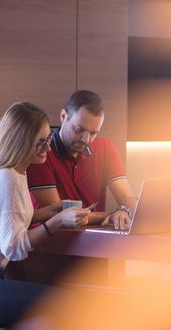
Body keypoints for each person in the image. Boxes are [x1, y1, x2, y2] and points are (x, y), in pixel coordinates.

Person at [0, 101, 90, 328]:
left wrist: (46, 213)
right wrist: (57, 220)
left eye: (48, 140)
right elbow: (13, 247)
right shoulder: (6, 178)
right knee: (64, 301)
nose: (48, 149)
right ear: (20, 143)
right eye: (40, 143)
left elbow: (8, 222)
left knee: (56, 307)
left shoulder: (15, 173)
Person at [27, 90, 137, 230]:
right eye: (79, 129)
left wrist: (125, 211)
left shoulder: (105, 148)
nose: (86, 139)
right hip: (52, 243)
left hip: (93, 240)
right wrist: (111, 214)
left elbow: (127, 197)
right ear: (63, 116)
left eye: (93, 133)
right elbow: (61, 214)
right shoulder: (41, 154)